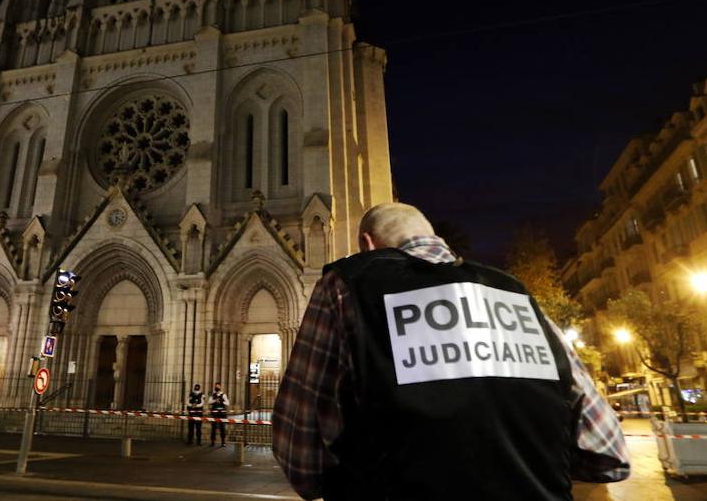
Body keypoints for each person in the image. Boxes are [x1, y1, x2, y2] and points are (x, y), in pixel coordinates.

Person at [273, 203, 630, 500]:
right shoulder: (515, 295)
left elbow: (301, 458)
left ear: (369, 245)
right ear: (436, 240)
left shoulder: (347, 286)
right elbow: (608, 453)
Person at [209, 382, 229, 447]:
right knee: (213, 428)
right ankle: (212, 442)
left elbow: (227, 403)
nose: (217, 387)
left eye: (218, 386)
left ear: (220, 387)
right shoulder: (213, 395)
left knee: (222, 428)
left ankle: (223, 442)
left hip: (222, 414)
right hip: (214, 414)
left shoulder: (223, 395)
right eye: (216, 386)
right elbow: (209, 402)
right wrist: (215, 400)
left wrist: (221, 401)